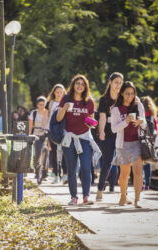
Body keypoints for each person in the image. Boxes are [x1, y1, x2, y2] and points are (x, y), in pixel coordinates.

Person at [57, 74, 101, 205]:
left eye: (82, 84)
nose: (80, 86)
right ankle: (74, 197)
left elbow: (92, 121)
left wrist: (92, 123)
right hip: (69, 138)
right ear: (73, 85)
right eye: (77, 83)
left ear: (85, 87)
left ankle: (86, 196)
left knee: (86, 167)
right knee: (72, 169)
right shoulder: (65, 98)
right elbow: (58, 119)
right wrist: (65, 108)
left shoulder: (89, 101)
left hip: (84, 138)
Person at [111, 81, 146, 208]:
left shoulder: (138, 105)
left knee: (138, 170)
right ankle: (123, 196)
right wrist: (125, 122)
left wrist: (141, 122)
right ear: (121, 93)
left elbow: (145, 123)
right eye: (127, 94)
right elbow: (114, 129)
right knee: (124, 173)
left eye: (132, 93)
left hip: (137, 142)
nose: (130, 96)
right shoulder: (115, 109)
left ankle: (137, 199)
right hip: (123, 144)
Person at [96, 72, 124, 201]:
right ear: (110, 82)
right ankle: (100, 189)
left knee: (124, 163)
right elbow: (102, 117)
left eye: (120, 82)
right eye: (116, 82)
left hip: (122, 134)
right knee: (107, 163)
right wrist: (101, 131)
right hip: (108, 135)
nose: (118, 85)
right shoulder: (104, 99)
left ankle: (123, 193)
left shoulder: (123, 98)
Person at [45, 83, 68, 184]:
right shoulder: (50, 103)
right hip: (53, 131)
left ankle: (65, 175)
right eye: (57, 92)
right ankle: (56, 174)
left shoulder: (67, 102)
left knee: (65, 153)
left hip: (64, 130)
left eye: (61, 92)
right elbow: (47, 118)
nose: (59, 94)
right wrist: (45, 131)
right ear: (54, 92)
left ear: (64, 93)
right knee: (54, 153)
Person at [141, 96, 158, 191]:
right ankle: (148, 184)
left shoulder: (140, 113)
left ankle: (142, 183)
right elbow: (156, 129)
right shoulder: (152, 115)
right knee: (148, 162)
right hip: (150, 141)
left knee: (140, 162)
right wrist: (153, 140)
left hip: (141, 140)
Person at [29, 96, 49, 180]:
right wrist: (29, 136)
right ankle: (37, 172)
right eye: (40, 104)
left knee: (46, 153)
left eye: (44, 104)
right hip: (36, 135)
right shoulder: (33, 113)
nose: (42, 106)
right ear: (37, 105)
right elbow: (30, 126)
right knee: (37, 153)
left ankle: (44, 173)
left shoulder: (48, 113)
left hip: (46, 134)